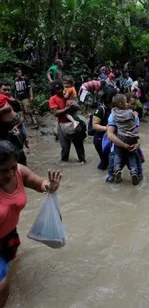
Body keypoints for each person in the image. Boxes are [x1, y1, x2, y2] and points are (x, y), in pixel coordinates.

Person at [0, 140, 62, 307]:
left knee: (10, 265)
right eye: (3, 171)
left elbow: (38, 182)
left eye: (12, 167)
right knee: (3, 286)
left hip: (9, 235)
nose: (10, 174)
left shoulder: (19, 172)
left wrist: (49, 186)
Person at [49, 81, 86, 163]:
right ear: (55, 90)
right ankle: (64, 163)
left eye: (61, 88)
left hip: (74, 122)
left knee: (79, 145)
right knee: (65, 148)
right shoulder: (53, 99)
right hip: (62, 124)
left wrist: (74, 106)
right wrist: (66, 109)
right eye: (58, 89)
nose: (60, 90)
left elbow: (79, 108)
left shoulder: (67, 95)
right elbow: (55, 113)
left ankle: (82, 161)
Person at [110, 94, 140, 185]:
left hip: (121, 137)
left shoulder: (113, 113)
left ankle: (117, 169)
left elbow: (113, 109)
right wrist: (136, 114)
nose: (127, 103)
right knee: (131, 155)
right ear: (121, 104)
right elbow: (134, 118)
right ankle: (134, 172)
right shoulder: (130, 113)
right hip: (132, 138)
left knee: (117, 153)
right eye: (126, 102)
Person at [92, 89, 117, 170]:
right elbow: (94, 126)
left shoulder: (114, 109)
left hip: (111, 138)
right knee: (105, 161)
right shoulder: (100, 109)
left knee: (113, 160)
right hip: (100, 139)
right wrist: (108, 128)